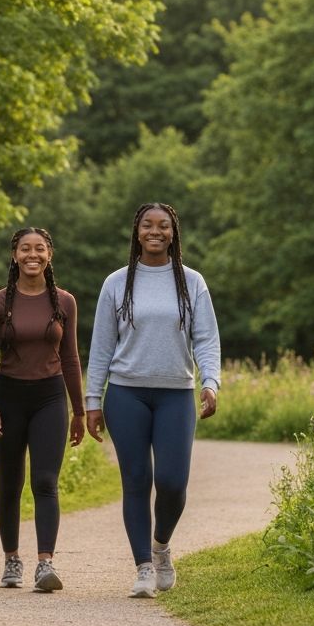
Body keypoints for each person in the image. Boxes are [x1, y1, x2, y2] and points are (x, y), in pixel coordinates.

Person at [85, 202, 220, 598]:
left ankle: (161, 545)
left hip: (176, 393)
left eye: (163, 226)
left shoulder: (191, 282)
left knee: (173, 483)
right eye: (148, 225)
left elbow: (206, 338)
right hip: (126, 393)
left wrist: (210, 382)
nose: (155, 231)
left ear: (173, 232)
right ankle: (143, 565)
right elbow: (101, 346)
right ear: (137, 231)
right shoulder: (117, 282)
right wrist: (93, 400)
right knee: (136, 481)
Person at [0, 227, 85, 592]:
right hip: (9, 397)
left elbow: (71, 359)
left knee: (45, 481)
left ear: (49, 255)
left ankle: (45, 564)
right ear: (14, 255)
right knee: (9, 484)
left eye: (39, 249)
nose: (32, 255)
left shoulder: (64, 302)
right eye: (25, 249)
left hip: (50, 398)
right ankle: (11, 560)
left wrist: (80, 411)